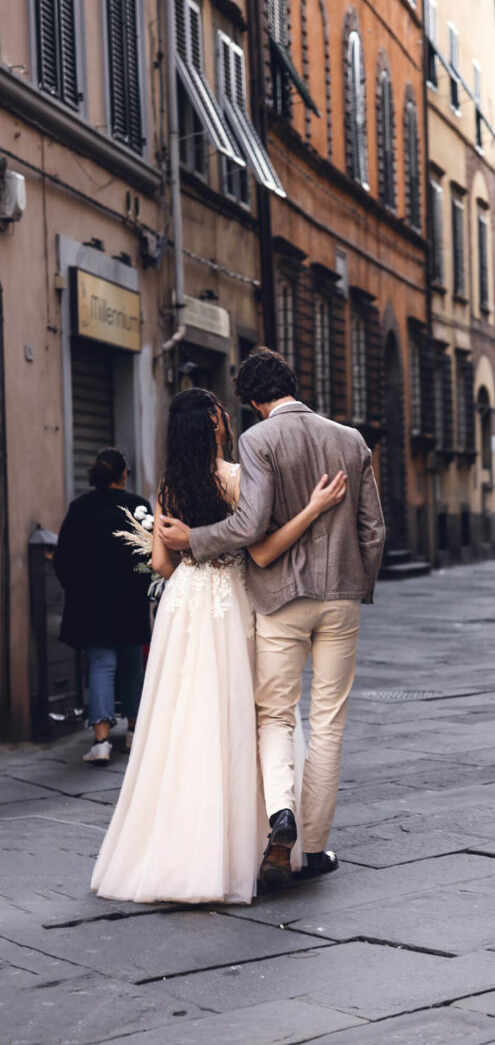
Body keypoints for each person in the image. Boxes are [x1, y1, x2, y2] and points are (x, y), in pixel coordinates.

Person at [91, 387, 346, 905]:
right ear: (214, 424)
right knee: (249, 715)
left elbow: (162, 565)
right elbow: (261, 550)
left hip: (184, 607)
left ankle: (178, 851)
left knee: (181, 721)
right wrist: (314, 509)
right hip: (232, 603)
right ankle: (258, 839)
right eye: (222, 415)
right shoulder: (236, 478)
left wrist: (186, 554)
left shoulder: (166, 486)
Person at [160, 349, 385, 891]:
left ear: (255, 402)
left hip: (281, 599)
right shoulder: (351, 440)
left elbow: (251, 524)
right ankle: (311, 845)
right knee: (329, 720)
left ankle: (279, 817)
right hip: (341, 598)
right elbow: (373, 531)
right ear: (292, 383)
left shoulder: (259, 440)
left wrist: (196, 540)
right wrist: (356, 582)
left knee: (276, 716)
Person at [54, 448, 151, 766]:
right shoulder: (138, 507)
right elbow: (149, 557)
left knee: (101, 666)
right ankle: (134, 732)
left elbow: (63, 558)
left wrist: (78, 590)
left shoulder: (80, 508)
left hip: (92, 604)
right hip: (131, 601)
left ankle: (100, 741)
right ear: (124, 474)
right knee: (132, 666)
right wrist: (143, 587)